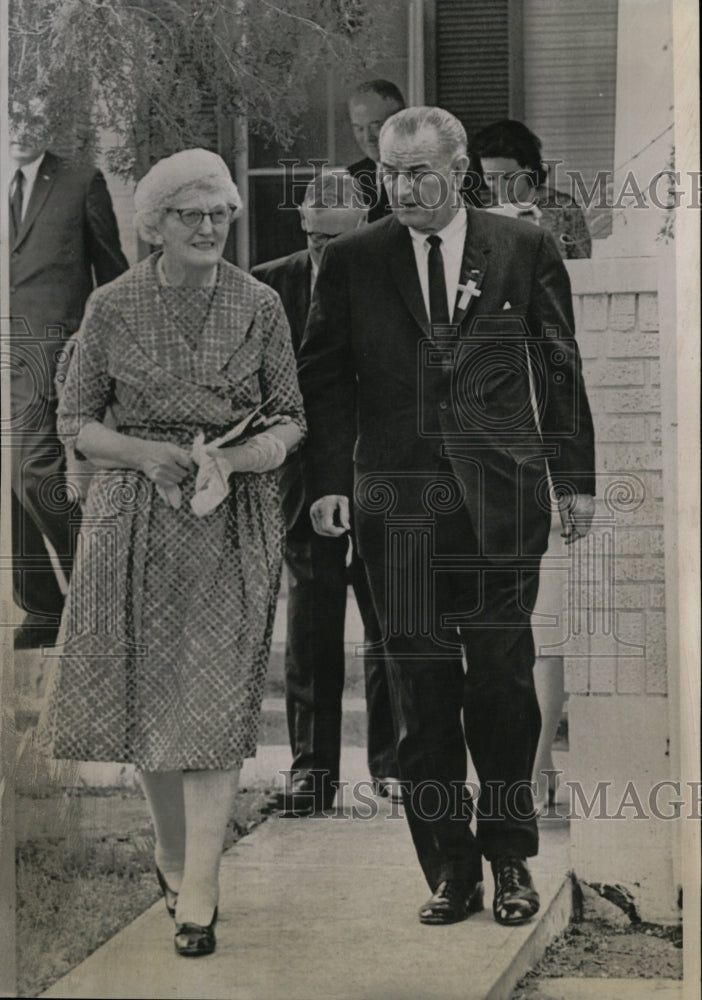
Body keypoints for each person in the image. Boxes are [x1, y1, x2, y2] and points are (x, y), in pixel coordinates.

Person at [298, 107, 596, 928]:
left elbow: (559, 369)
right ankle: (449, 869)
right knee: (419, 690)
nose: (404, 189)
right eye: (391, 173)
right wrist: (328, 482)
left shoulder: (524, 246)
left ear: (460, 168)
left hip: (502, 502)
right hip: (395, 508)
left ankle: (509, 861)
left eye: (421, 172)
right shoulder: (356, 261)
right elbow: (324, 381)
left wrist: (575, 481)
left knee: (502, 684)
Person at [42, 149, 305, 957]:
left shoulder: (259, 304)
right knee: (151, 699)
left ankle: (202, 889)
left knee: (216, 697)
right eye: (190, 214)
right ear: (154, 225)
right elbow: (74, 423)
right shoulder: (112, 307)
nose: (208, 227)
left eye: (220, 212)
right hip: (133, 519)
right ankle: (171, 853)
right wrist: (140, 453)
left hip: (229, 520)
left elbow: (290, 419)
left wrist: (235, 460)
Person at [252, 171, 399, 813]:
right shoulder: (266, 283)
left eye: (338, 239)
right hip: (299, 463)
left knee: (385, 608)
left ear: (365, 227)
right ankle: (313, 770)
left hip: (375, 461)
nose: (324, 253)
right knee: (311, 608)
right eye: (314, 239)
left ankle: (395, 763)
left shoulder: (394, 275)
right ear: (302, 228)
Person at [470, 118, 593, 811]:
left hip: (547, 442)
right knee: (523, 625)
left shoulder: (556, 220)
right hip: (493, 448)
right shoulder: (471, 233)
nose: (497, 188)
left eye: (507, 174)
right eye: (486, 177)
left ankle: (539, 759)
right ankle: (526, 769)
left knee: (554, 618)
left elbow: (567, 326)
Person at [8, 96, 129, 650]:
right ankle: (42, 605)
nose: (19, 126)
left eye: (31, 115)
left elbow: (112, 274)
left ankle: (100, 584)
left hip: (48, 351)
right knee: (18, 479)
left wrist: (104, 346)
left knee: (34, 470)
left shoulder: (81, 182)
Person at [469, 118, 592, 259]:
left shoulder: (563, 210)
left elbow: (583, 266)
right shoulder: (485, 216)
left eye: (509, 177)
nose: (499, 187)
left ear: (529, 169)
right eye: (490, 178)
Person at [347, 79, 405, 223]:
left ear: (400, 122)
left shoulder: (427, 171)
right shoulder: (351, 179)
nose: (367, 138)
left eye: (375, 126)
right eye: (359, 128)